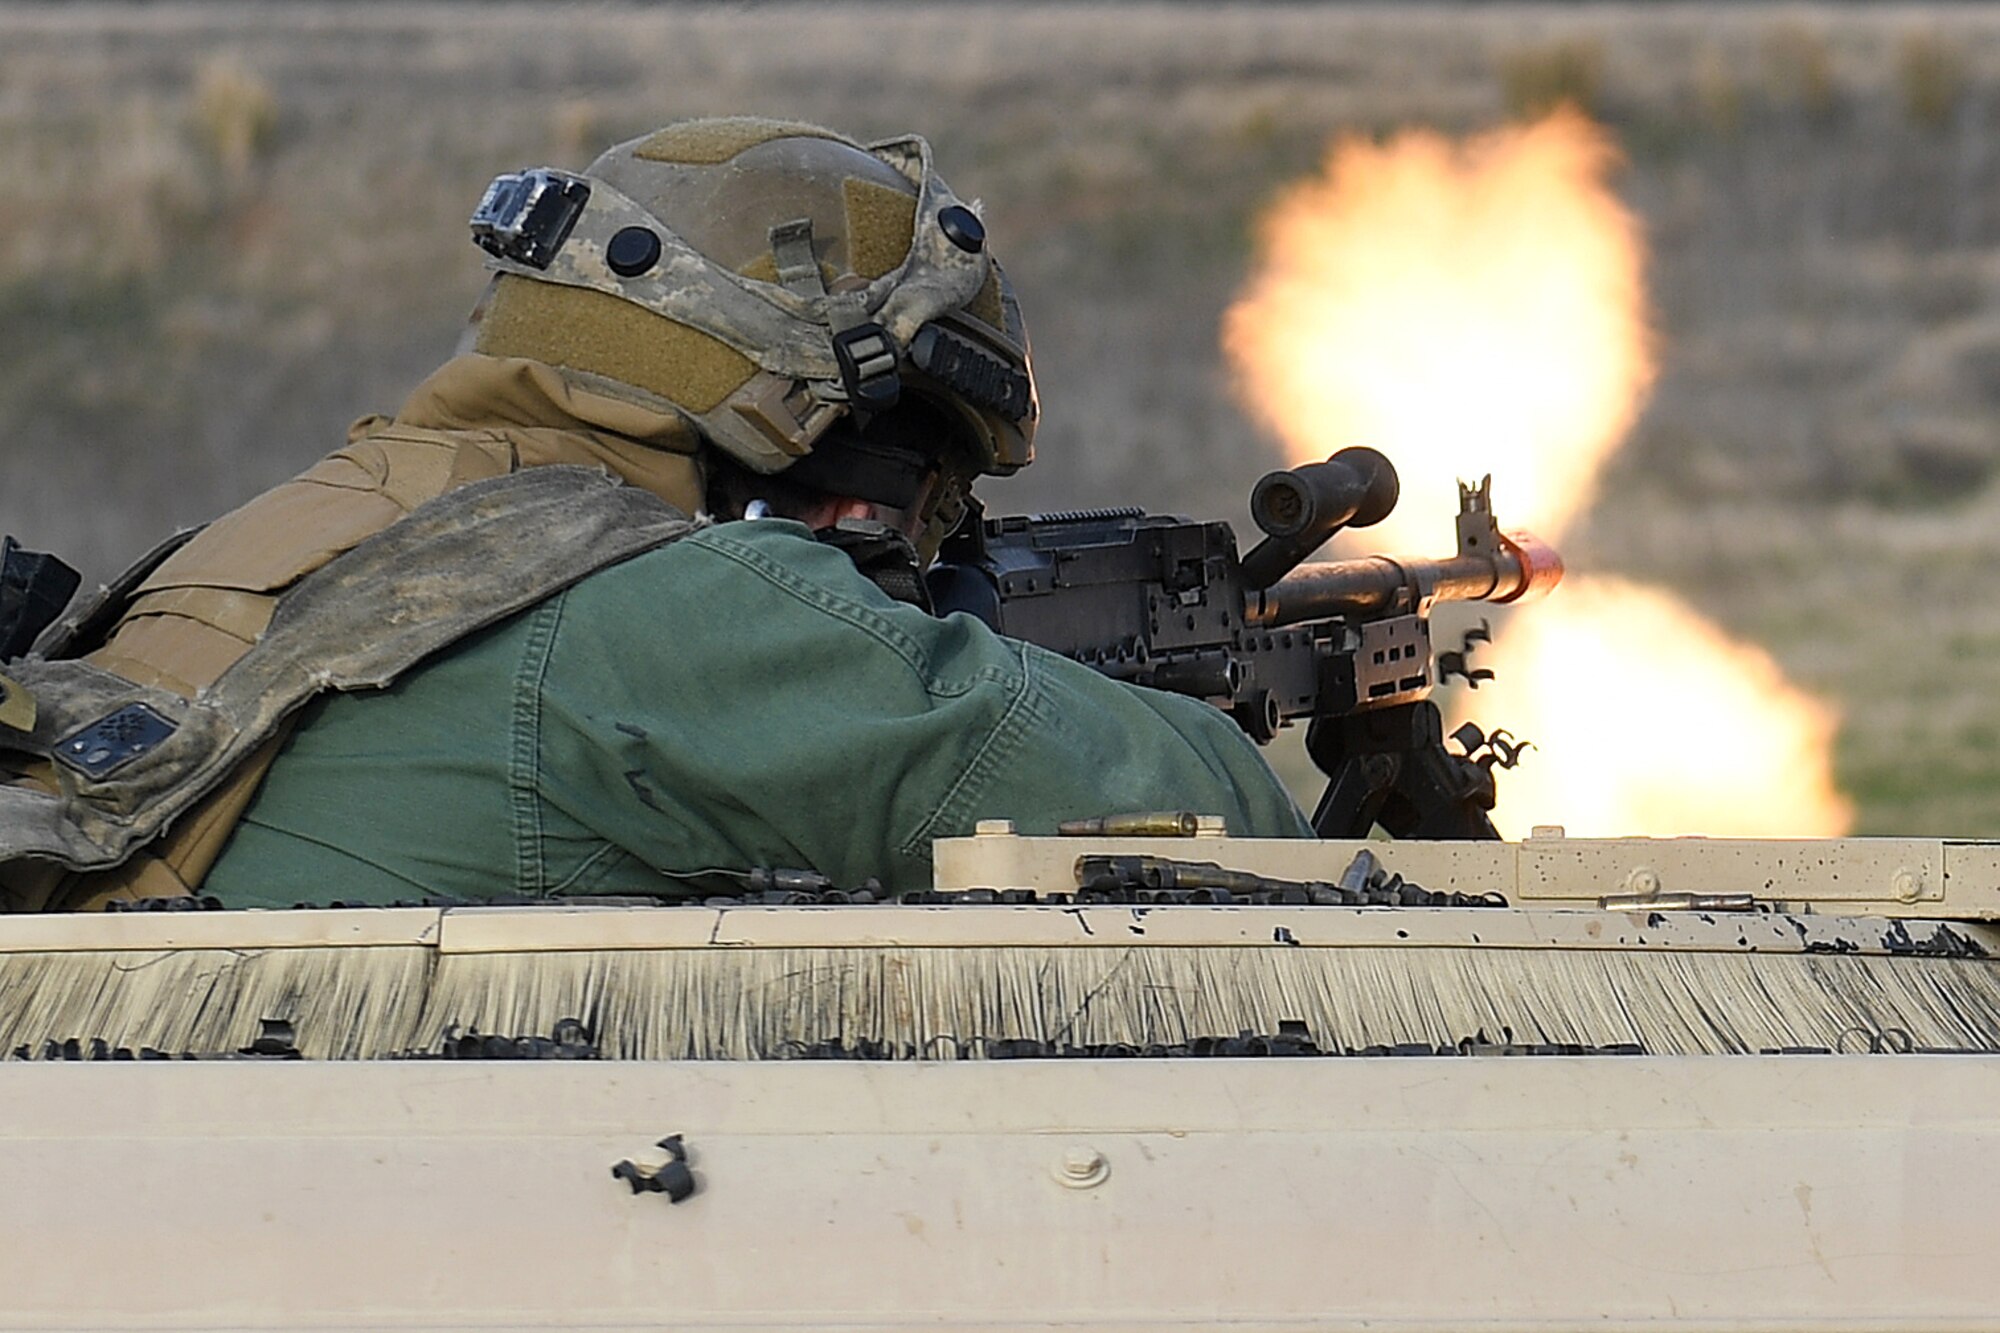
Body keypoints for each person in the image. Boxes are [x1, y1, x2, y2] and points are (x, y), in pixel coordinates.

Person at [0, 116, 1308, 912]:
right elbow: (1228, 830)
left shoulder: (294, 535)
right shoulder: (667, 611)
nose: (910, 543)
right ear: (795, 429)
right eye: (913, 491)